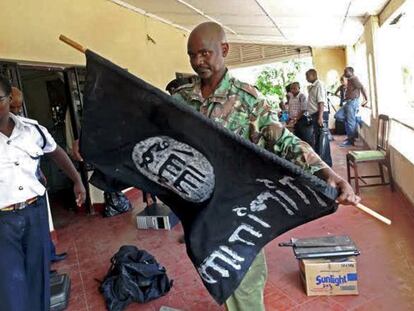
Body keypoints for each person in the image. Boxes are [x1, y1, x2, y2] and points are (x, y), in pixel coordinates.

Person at [168, 22, 360, 311]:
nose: (198, 62)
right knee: (218, 274)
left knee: (245, 278)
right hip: (201, 208)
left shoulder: (247, 100)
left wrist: (327, 173)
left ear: (224, 50)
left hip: (239, 209)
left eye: (205, 54)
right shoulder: (182, 99)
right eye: (192, 55)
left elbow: (285, 142)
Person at [0, 75, 86, 311]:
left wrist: (77, 180)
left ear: (9, 99)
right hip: (3, 222)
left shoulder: (32, 130)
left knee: (39, 278)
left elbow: (56, 152)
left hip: (34, 213)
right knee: (9, 289)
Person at [306, 69, 333, 167]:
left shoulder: (319, 85)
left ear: (313, 75)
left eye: (307, 76)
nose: (306, 78)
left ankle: (327, 164)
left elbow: (321, 102)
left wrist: (320, 117)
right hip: (315, 114)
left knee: (323, 139)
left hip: (320, 114)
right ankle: (320, 163)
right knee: (318, 139)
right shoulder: (312, 87)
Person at [340, 67, 368, 147]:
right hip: (349, 102)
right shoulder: (349, 79)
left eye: (346, 71)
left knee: (350, 122)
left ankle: (351, 140)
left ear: (351, 72)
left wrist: (366, 99)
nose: (344, 73)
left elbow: (361, 87)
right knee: (339, 116)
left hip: (352, 102)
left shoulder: (353, 78)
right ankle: (356, 119)